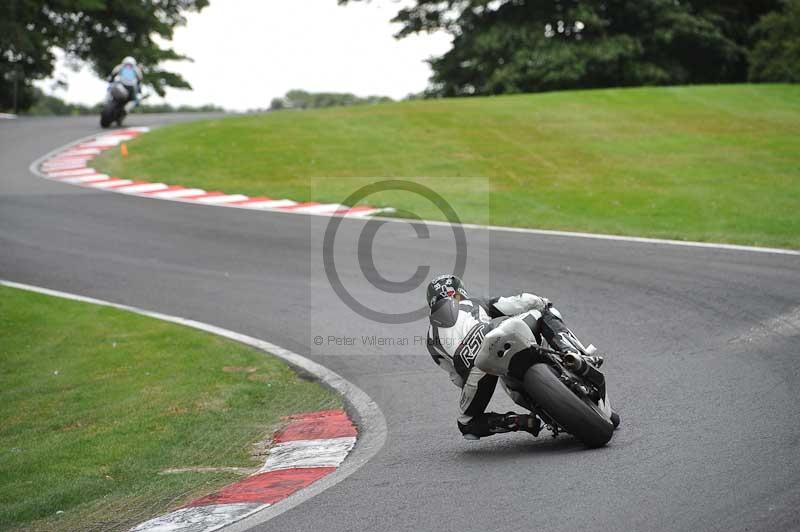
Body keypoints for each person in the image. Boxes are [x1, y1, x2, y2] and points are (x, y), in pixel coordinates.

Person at [425, 274, 604, 440]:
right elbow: (516, 303)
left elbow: (457, 378)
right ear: (460, 291)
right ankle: (573, 354)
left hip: (478, 367)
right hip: (497, 338)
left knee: (466, 424)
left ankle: (516, 421)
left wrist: (473, 382)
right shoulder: (473, 303)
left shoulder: (431, 339)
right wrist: (541, 301)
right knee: (543, 311)